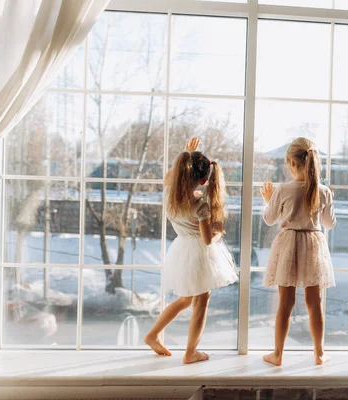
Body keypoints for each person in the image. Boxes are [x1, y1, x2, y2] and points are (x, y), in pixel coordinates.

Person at [144, 137, 238, 364]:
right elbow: (207, 240)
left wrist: (187, 153)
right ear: (204, 179)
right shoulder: (200, 205)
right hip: (198, 253)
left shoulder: (170, 195)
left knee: (185, 299)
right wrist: (219, 233)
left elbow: (169, 176)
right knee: (201, 302)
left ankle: (153, 334)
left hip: (182, 249)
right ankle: (190, 352)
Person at [260, 137, 336, 366]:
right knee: (314, 303)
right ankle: (319, 354)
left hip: (289, 244)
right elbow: (329, 223)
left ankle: (278, 354)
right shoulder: (323, 191)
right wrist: (328, 202)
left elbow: (269, 219)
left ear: (291, 162)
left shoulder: (283, 190)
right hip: (313, 243)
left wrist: (268, 200)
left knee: (286, 302)